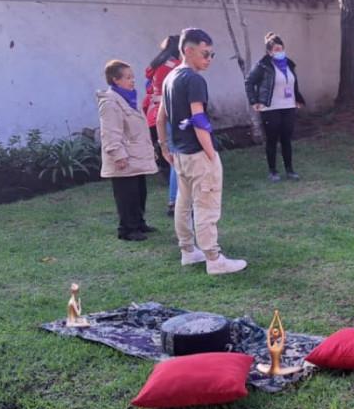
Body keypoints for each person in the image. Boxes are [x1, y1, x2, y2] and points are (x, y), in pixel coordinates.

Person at [157, 28, 247, 274]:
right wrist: (211, 153)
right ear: (188, 51)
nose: (209, 59)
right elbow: (198, 119)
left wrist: (165, 146)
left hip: (180, 154)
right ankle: (213, 259)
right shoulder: (193, 79)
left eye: (212, 55)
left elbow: (160, 117)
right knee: (206, 205)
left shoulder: (170, 77)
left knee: (184, 204)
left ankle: (188, 251)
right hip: (197, 154)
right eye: (205, 54)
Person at [97, 60, 158, 241]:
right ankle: (127, 229)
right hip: (123, 157)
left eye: (133, 77)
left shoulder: (129, 98)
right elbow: (110, 132)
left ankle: (139, 223)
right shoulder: (110, 102)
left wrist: (149, 150)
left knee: (139, 192)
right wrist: (118, 155)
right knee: (126, 195)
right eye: (128, 77)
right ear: (116, 80)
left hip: (136, 154)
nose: (133, 81)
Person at [245, 32, 306, 181]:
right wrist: (254, 101)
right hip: (270, 107)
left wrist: (298, 99)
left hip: (288, 106)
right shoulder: (263, 66)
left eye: (281, 48)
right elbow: (249, 82)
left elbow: (293, 84)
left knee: (286, 139)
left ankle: (289, 170)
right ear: (269, 52)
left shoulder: (289, 64)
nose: (279, 51)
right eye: (276, 49)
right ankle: (272, 171)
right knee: (272, 139)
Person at [144, 35, 180, 216]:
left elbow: (149, 90)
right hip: (171, 114)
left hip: (154, 114)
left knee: (172, 156)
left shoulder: (157, 66)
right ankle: (175, 201)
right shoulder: (176, 66)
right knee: (178, 158)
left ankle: (176, 199)